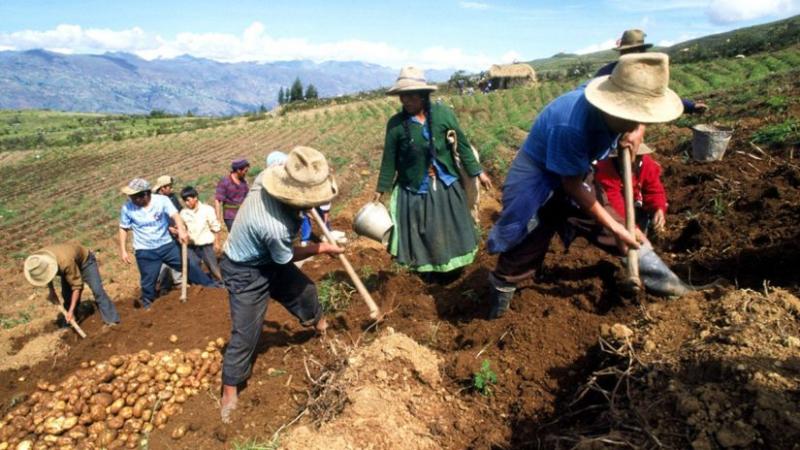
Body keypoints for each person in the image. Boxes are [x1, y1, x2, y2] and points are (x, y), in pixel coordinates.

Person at [486, 53, 684, 319]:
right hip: (538, 170)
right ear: (612, 105)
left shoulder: (624, 116)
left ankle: (669, 286)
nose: (636, 121)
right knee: (529, 231)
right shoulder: (570, 124)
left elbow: (636, 118)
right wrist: (615, 228)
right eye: (632, 116)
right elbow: (571, 185)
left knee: (620, 225)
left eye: (641, 116)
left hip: (577, 166)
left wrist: (637, 130)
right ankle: (498, 309)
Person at [219, 146, 342, 423]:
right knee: (246, 334)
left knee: (306, 292)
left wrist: (307, 200)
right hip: (245, 269)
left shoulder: (269, 175)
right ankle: (229, 389)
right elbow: (287, 257)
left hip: (269, 258)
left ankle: (320, 327)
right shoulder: (272, 225)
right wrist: (322, 248)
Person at [374, 66, 491, 280]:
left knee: (451, 228)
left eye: (410, 96)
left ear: (423, 95)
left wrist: (478, 172)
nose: (405, 101)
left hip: (446, 184)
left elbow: (463, 145)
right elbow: (388, 160)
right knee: (423, 232)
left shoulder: (443, 114)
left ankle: (454, 269)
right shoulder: (396, 125)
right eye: (402, 96)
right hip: (415, 187)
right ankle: (426, 272)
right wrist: (380, 190)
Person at [118, 178, 216, 309]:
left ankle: (210, 287)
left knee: (188, 265)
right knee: (148, 280)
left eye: (135, 196)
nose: (133, 199)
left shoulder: (161, 200)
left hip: (167, 245)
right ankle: (148, 304)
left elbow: (175, 215)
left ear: (145, 194)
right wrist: (123, 250)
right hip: (145, 250)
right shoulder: (127, 208)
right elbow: (123, 228)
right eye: (131, 196)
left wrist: (181, 231)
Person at [595, 29, 708, 115]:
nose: (631, 55)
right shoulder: (607, 72)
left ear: (642, 52)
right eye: (627, 52)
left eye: (635, 51)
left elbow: (660, 94)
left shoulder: (646, 74)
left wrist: (691, 106)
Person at [23, 242, 120, 327]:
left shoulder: (65, 263)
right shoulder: (38, 260)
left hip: (85, 262)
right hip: (69, 262)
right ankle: (71, 321)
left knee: (97, 290)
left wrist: (70, 310)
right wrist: (52, 291)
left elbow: (77, 287)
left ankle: (112, 320)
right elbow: (46, 275)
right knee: (67, 296)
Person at [594, 143, 667, 235]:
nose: (634, 162)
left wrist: (659, 208)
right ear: (618, 157)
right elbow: (613, 203)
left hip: (632, 204)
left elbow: (654, 190)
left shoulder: (646, 163)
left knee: (642, 216)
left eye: (638, 157)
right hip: (609, 210)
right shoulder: (606, 169)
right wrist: (633, 230)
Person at [179, 186, 223, 280]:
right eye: (185, 201)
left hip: (206, 244)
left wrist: (217, 242)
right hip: (192, 245)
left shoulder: (207, 209)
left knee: (213, 267)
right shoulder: (183, 213)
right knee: (193, 266)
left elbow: (216, 227)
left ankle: (221, 285)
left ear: (195, 197)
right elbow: (182, 228)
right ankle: (201, 285)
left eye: (188, 200)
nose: (187, 203)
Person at [215, 159, 250, 231]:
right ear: (238, 170)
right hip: (231, 217)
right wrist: (218, 219)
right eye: (245, 171)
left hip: (244, 215)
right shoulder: (225, 182)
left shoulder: (244, 182)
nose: (246, 173)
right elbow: (218, 200)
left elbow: (247, 198)